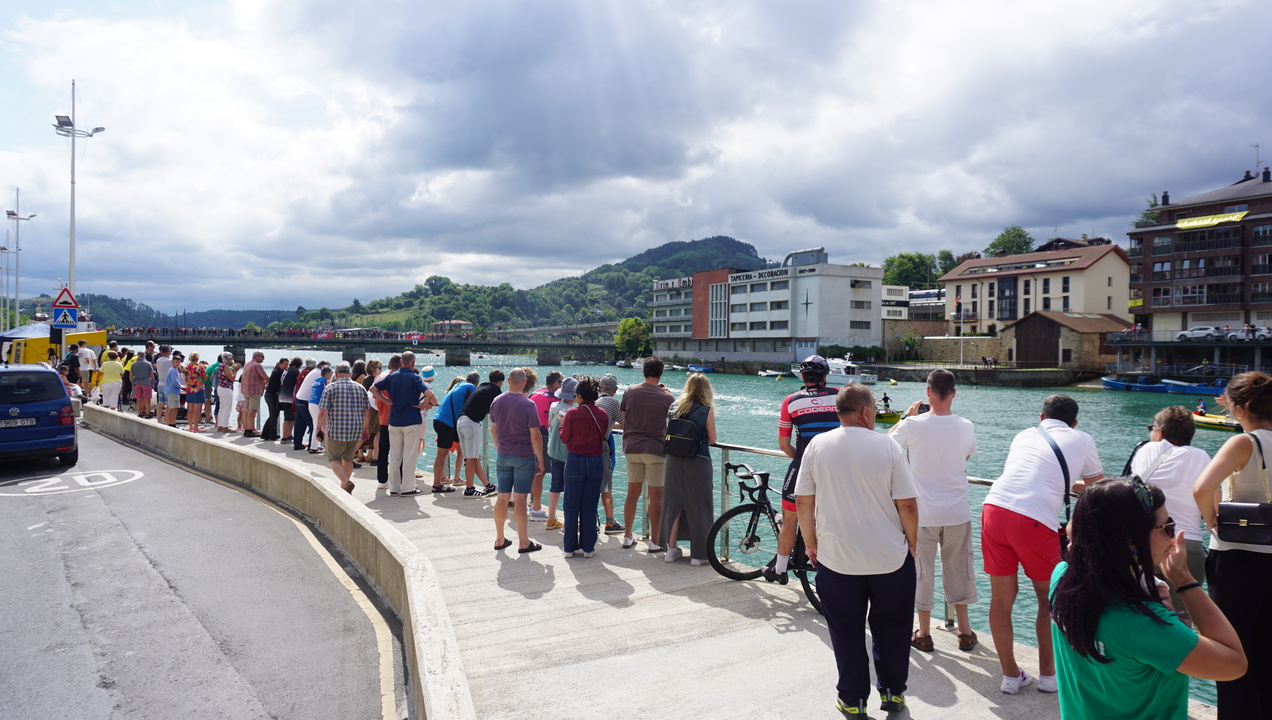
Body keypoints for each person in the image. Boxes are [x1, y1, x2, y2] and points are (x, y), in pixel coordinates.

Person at [1050, 478, 1246, 719]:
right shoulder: (1142, 622)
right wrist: (1185, 581)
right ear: (1132, 541)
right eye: (1167, 527)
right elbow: (1234, 664)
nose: (1172, 539)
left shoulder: (1062, 579)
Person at [794, 383, 919, 716]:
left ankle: (852, 699)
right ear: (865, 411)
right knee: (893, 627)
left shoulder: (817, 445)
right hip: (889, 557)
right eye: (874, 409)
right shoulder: (888, 446)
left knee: (845, 630)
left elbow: (804, 500)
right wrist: (912, 541)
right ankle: (893, 693)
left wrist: (810, 543)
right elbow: (907, 503)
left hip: (836, 557)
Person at [983, 395, 1104, 694]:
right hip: (1034, 520)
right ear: (1074, 423)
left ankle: (1010, 677)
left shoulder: (1024, 434)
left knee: (1001, 599)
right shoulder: (1083, 438)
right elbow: (1097, 487)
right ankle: (1049, 677)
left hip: (994, 509)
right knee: (1048, 599)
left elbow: (1030, 472)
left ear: (1041, 417)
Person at [1193, 372, 1272, 718]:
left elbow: (1202, 487)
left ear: (1239, 409)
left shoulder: (1244, 442)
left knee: (1232, 651)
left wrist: (1212, 520)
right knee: (1267, 650)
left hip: (1238, 557)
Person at [887, 369, 979, 652]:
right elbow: (966, 455)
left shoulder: (913, 425)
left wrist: (906, 417)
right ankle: (964, 631)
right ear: (954, 393)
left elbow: (886, 446)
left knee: (922, 571)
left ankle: (924, 633)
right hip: (956, 511)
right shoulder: (966, 426)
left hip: (921, 513)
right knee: (959, 568)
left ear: (928, 393)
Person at [1131, 406, 1211, 622]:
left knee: (1141, 620)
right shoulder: (1201, 456)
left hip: (1145, 543)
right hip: (1185, 544)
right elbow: (1211, 502)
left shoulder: (1145, 450)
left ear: (1160, 432)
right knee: (1182, 622)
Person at [768, 355, 840, 584]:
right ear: (825, 377)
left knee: (790, 519)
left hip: (803, 466)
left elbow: (783, 444)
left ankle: (780, 570)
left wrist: (803, 459)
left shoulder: (790, 401)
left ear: (802, 376)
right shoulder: (839, 395)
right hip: (836, 469)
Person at [660, 373, 717, 565]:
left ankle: (670, 550)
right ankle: (699, 556)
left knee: (673, 506)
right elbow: (712, 439)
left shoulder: (674, 408)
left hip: (674, 461)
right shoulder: (706, 410)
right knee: (699, 507)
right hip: (698, 462)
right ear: (706, 390)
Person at [618, 357, 674, 550]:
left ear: (643, 371)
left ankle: (627, 536)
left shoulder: (630, 390)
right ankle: (655, 541)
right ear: (661, 373)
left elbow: (624, 415)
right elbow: (674, 420)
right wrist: (668, 393)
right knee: (656, 495)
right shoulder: (667, 397)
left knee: (632, 493)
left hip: (632, 447)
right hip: (655, 449)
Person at [488, 368, 544, 553]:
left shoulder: (496, 401)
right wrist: (540, 459)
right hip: (523, 455)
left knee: (502, 497)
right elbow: (535, 435)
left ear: (509, 381)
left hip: (503, 454)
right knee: (520, 499)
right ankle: (523, 542)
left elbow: (493, 429)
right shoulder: (528, 404)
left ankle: (499, 539)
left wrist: (499, 448)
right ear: (525, 382)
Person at [372, 351, 442, 496]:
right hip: (411, 420)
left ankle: (393, 487)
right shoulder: (415, 378)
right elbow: (429, 394)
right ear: (413, 363)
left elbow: (373, 389)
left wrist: (386, 401)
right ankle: (408, 488)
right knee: (409, 455)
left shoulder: (392, 376)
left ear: (401, 362)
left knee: (395, 456)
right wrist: (422, 406)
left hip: (394, 420)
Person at [560, 376, 607, 558]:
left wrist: (561, 427)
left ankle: (569, 548)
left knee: (571, 505)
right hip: (595, 461)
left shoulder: (572, 414)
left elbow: (565, 439)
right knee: (590, 505)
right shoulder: (602, 414)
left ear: (579, 396)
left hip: (575, 460)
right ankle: (588, 548)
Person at [316, 362, 372, 495]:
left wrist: (318, 427)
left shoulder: (330, 388)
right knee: (348, 459)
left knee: (334, 459)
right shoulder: (361, 388)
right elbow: (367, 412)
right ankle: (344, 488)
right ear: (350, 374)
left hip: (336, 430)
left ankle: (346, 482)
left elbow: (323, 411)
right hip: (356, 430)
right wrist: (365, 428)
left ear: (336, 374)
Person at [457, 370, 504, 498]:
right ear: (501, 382)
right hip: (471, 424)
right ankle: (469, 489)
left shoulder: (482, 386)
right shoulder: (496, 391)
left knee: (473, 458)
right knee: (472, 459)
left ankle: (489, 486)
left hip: (461, 421)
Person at [434, 371, 479, 494]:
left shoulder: (458, 385)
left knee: (441, 454)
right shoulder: (470, 388)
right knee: (442, 454)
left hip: (438, 419)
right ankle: (436, 485)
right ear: (476, 383)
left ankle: (438, 482)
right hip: (447, 423)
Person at [528, 371, 563, 520]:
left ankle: (530, 503)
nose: (562, 386)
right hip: (541, 434)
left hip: (527, 433)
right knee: (540, 472)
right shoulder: (554, 397)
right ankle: (536, 510)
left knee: (531, 470)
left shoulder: (535, 393)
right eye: (561, 382)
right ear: (556, 383)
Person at [545, 377, 578, 531]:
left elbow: (550, 426)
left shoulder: (553, 406)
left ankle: (551, 518)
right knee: (571, 488)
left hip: (553, 449)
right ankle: (569, 522)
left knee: (555, 486)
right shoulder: (571, 412)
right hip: (568, 452)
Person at [596, 374, 625, 536]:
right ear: (615, 389)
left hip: (586, 448)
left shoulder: (593, 400)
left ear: (600, 387)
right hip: (601, 447)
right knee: (606, 486)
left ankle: (590, 520)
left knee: (590, 486)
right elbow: (625, 424)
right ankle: (610, 522)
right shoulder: (613, 402)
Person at [240, 351, 270, 437]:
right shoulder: (257, 365)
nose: (263, 358)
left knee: (246, 410)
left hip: (246, 390)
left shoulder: (247, 364)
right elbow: (265, 377)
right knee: (252, 411)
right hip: (254, 391)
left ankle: (247, 428)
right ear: (256, 356)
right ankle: (249, 430)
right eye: (262, 356)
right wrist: (274, 382)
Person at [181, 352, 208, 433]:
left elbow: (185, 376)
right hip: (198, 389)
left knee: (190, 409)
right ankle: (195, 427)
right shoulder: (200, 367)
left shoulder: (186, 367)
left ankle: (190, 426)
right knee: (197, 409)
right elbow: (205, 378)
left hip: (189, 389)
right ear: (197, 358)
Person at [261, 357, 287, 441]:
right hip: (273, 396)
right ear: (280, 364)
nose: (286, 366)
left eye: (287, 364)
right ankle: (272, 435)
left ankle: (265, 434)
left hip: (268, 394)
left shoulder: (275, 371)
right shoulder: (281, 372)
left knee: (272, 415)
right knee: (274, 415)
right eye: (285, 364)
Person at [279, 357, 302, 442]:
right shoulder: (295, 372)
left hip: (282, 396)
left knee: (290, 417)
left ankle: (289, 435)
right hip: (289, 397)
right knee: (288, 418)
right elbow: (298, 384)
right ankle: (285, 437)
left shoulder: (286, 370)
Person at [214, 353, 237, 433]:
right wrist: (236, 370)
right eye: (230, 358)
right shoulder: (226, 367)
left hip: (220, 387)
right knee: (227, 408)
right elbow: (232, 378)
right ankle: (225, 427)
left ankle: (220, 426)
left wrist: (233, 370)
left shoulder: (220, 366)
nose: (231, 360)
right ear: (228, 359)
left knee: (222, 408)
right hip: (226, 388)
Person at [130, 353, 155, 419]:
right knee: (147, 399)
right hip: (146, 383)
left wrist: (134, 381)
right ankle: (147, 413)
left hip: (137, 383)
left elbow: (131, 375)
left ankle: (139, 413)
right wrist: (153, 383)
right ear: (144, 356)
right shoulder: (148, 364)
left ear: (138, 356)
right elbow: (152, 375)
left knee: (138, 399)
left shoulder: (134, 364)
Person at [163, 353, 186, 427]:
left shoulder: (172, 370)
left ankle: (170, 423)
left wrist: (179, 390)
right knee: (174, 408)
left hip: (171, 391)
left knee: (171, 407)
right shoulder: (173, 370)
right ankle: (172, 424)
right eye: (176, 362)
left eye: (179, 362)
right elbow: (175, 382)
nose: (178, 364)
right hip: (173, 392)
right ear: (172, 362)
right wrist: (182, 387)